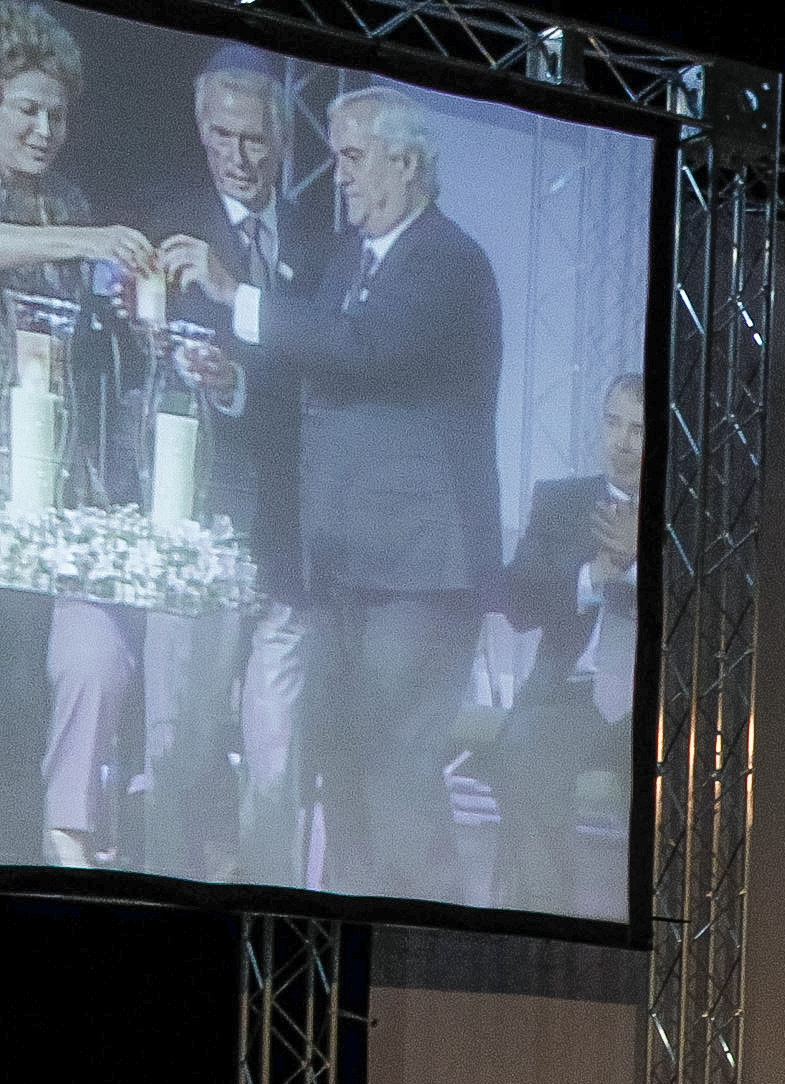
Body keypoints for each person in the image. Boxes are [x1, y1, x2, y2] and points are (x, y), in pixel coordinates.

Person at [165, 83, 501, 901]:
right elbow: (306, 365)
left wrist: (231, 293)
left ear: (408, 163)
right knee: (345, 780)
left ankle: (434, 959)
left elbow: (365, 346)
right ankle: (362, 947)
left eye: (353, 157)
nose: (338, 176)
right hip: (347, 571)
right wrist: (231, 378)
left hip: (420, 577)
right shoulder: (351, 260)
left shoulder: (450, 261)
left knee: (397, 780)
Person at [133, 46, 325, 888]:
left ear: (284, 142)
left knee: (278, 755)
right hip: (197, 524)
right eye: (223, 136)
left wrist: (243, 379)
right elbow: (139, 362)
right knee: (183, 740)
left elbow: (320, 381)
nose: (239, 159)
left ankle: (272, 909)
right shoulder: (164, 226)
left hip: (290, 538)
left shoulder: (318, 252)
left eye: (255, 140)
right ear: (201, 130)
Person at [0, 3, 155, 870]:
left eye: (57, 114)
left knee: (98, 653)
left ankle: (68, 827)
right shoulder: (65, 218)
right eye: (26, 107)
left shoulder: (67, 200)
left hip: (65, 490)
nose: (45, 128)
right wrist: (85, 237)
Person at [481, 369, 642, 918]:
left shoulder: (696, 517)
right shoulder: (561, 502)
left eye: (640, 431)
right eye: (613, 423)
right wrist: (594, 575)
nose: (620, 444)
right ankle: (543, 921)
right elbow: (518, 603)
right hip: (569, 694)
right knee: (525, 747)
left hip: (660, 708)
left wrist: (643, 563)